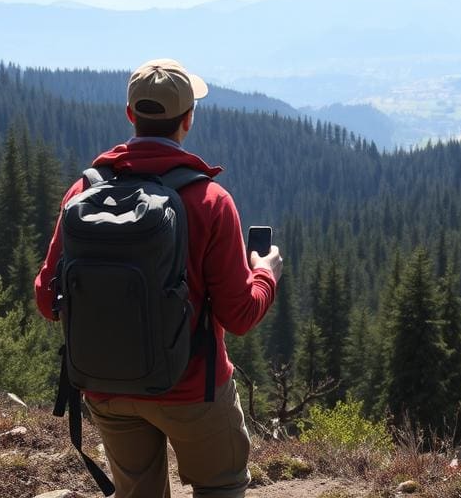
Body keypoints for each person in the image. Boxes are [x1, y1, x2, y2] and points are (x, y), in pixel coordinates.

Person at [35, 58, 282, 498]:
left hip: (106, 387)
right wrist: (265, 275)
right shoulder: (209, 200)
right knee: (220, 487)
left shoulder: (84, 192)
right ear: (188, 120)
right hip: (193, 389)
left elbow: (45, 298)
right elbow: (240, 315)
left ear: (131, 115)